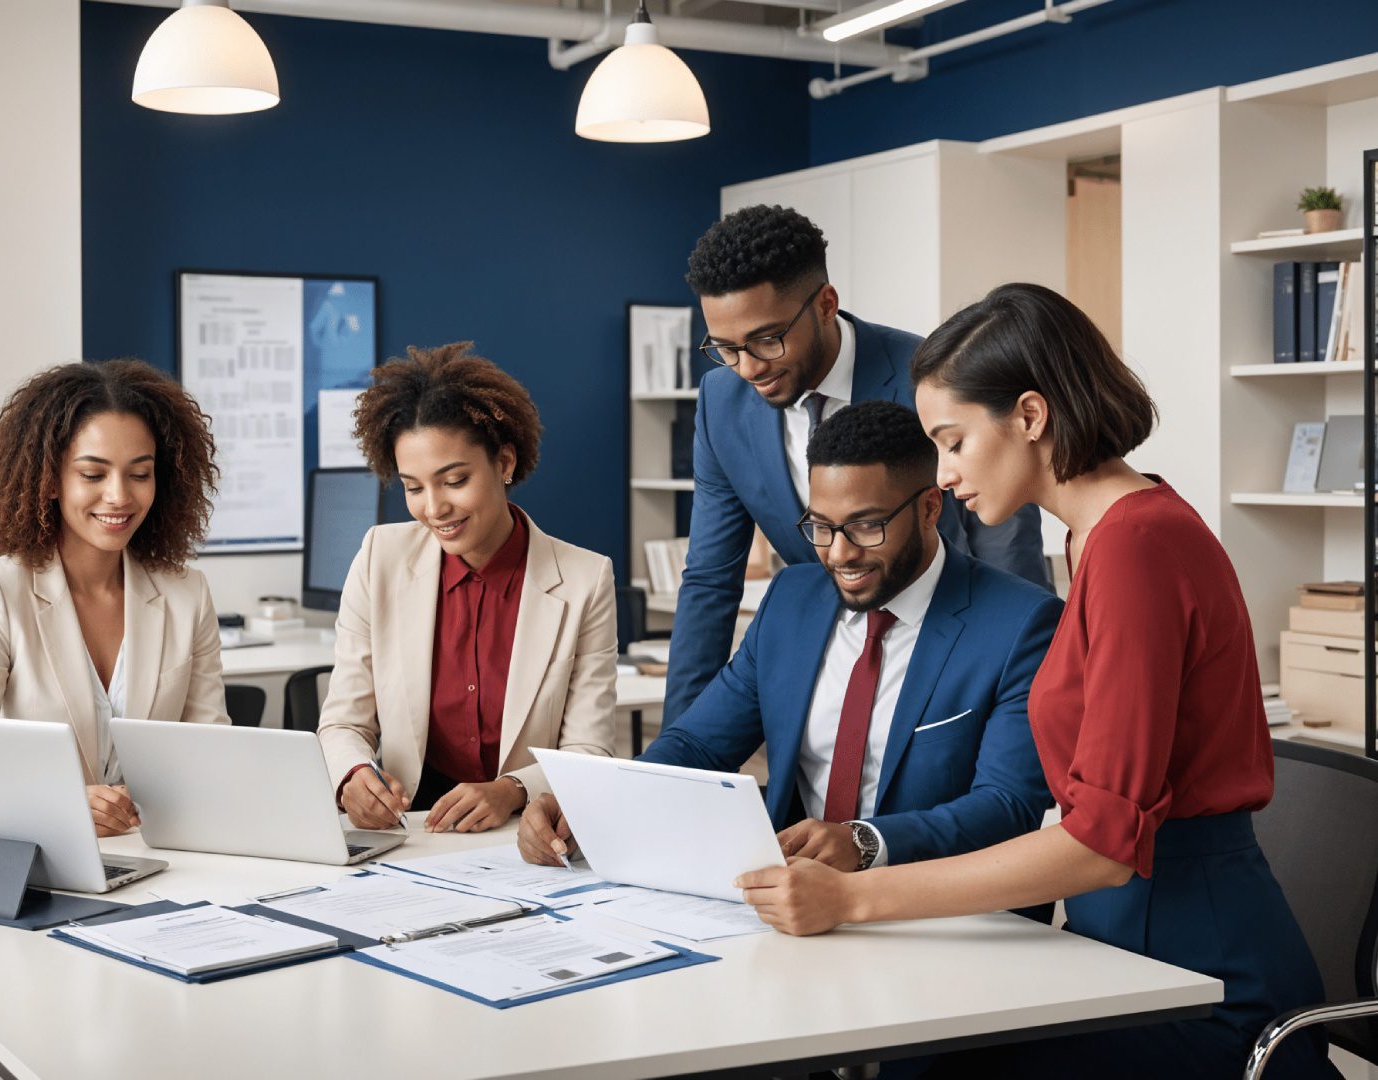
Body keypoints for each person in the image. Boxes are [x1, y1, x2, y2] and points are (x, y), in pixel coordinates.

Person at [735, 284, 1335, 1080]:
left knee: (934, 1056)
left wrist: (853, 898)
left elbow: (1102, 843)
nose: (942, 477)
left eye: (952, 442)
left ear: (1028, 415)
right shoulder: (1104, 534)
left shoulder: (1134, 547)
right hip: (1124, 946)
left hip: (1200, 983)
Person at [520, 400, 1061, 883]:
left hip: (943, 913)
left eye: (866, 526)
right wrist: (595, 806)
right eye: (821, 527)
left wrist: (864, 841)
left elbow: (1007, 804)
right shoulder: (791, 601)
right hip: (793, 900)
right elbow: (700, 746)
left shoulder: (1021, 623)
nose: (839, 554)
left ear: (929, 509)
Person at [665, 204, 1051, 725]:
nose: (749, 368)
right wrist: (676, 761)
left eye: (767, 338)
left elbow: (1005, 542)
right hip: (822, 673)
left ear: (826, 304)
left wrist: (1026, 700)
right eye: (727, 348)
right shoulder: (721, 400)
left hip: (953, 654)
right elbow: (711, 579)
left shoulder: (933, 378)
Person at [318, 342, 616, 835]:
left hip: (523, 832)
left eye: (454, 480)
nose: (434, 508)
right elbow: (344, 722)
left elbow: (589, 750)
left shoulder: (584, 579)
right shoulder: (379, 558)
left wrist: (512, 789)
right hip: (410, 827)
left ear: (503, 462)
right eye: (414, 488)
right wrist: (352, 776)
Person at [0, 359, 229, 837]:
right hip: (40, 853)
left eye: (140, 474)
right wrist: (63, 802)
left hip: (162, 853)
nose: (119, 496)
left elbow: (212, 750)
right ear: (49, 480)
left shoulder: (186, 593)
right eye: (93, 475)